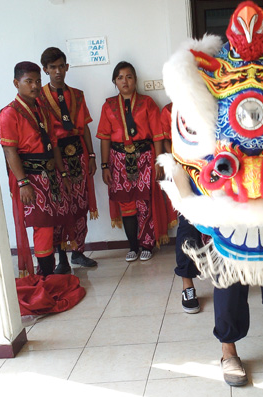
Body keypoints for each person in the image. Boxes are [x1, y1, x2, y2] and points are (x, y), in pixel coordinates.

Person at [0, 61, 71, 276]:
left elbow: (54, 145)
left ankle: (52, 272)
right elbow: (10, 151)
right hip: (30, 177)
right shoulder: (10, 113)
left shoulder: (42, 109)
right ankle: (45, 277)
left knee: (55, 224)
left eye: (38, 81)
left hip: (51, 175)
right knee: (42, 227)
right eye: (29, 81)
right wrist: (23, 183)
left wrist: (62, 173)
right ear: (16, 83)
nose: (35, 86)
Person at [97, 61, 169, 262]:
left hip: (145, 158)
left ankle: (147, 243)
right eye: (120, 77)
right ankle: (133, 246)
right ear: (114, 82)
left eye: (128, 76)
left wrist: (158, 161)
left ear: (135, 80)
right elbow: (104, 138)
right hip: (118, 161)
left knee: (144, 203)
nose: (124, 81)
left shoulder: (147, 103)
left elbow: (157, 136)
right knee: (126, 204)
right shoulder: (108, 106)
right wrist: (105, 165)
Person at [39, 47, 98, 273]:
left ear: (66, 67)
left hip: (79, 156)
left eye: (60, 66)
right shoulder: (40, 98)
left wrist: (91, 156)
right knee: (60, 206)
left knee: (80, 204)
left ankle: (78, 252)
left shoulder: (78, 95)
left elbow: (85, 128)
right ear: (45, 70)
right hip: (55, 158)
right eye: (52, 67)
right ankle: (61, 257)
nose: (57, 71)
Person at [160, 103, 201, 313]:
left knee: (226, 226)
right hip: (187, 172)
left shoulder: (218, 100)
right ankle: (187, 285)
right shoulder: (170, 110)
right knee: (188, 227)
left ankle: (231, 279)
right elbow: (167, 141)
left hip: (217, 170)